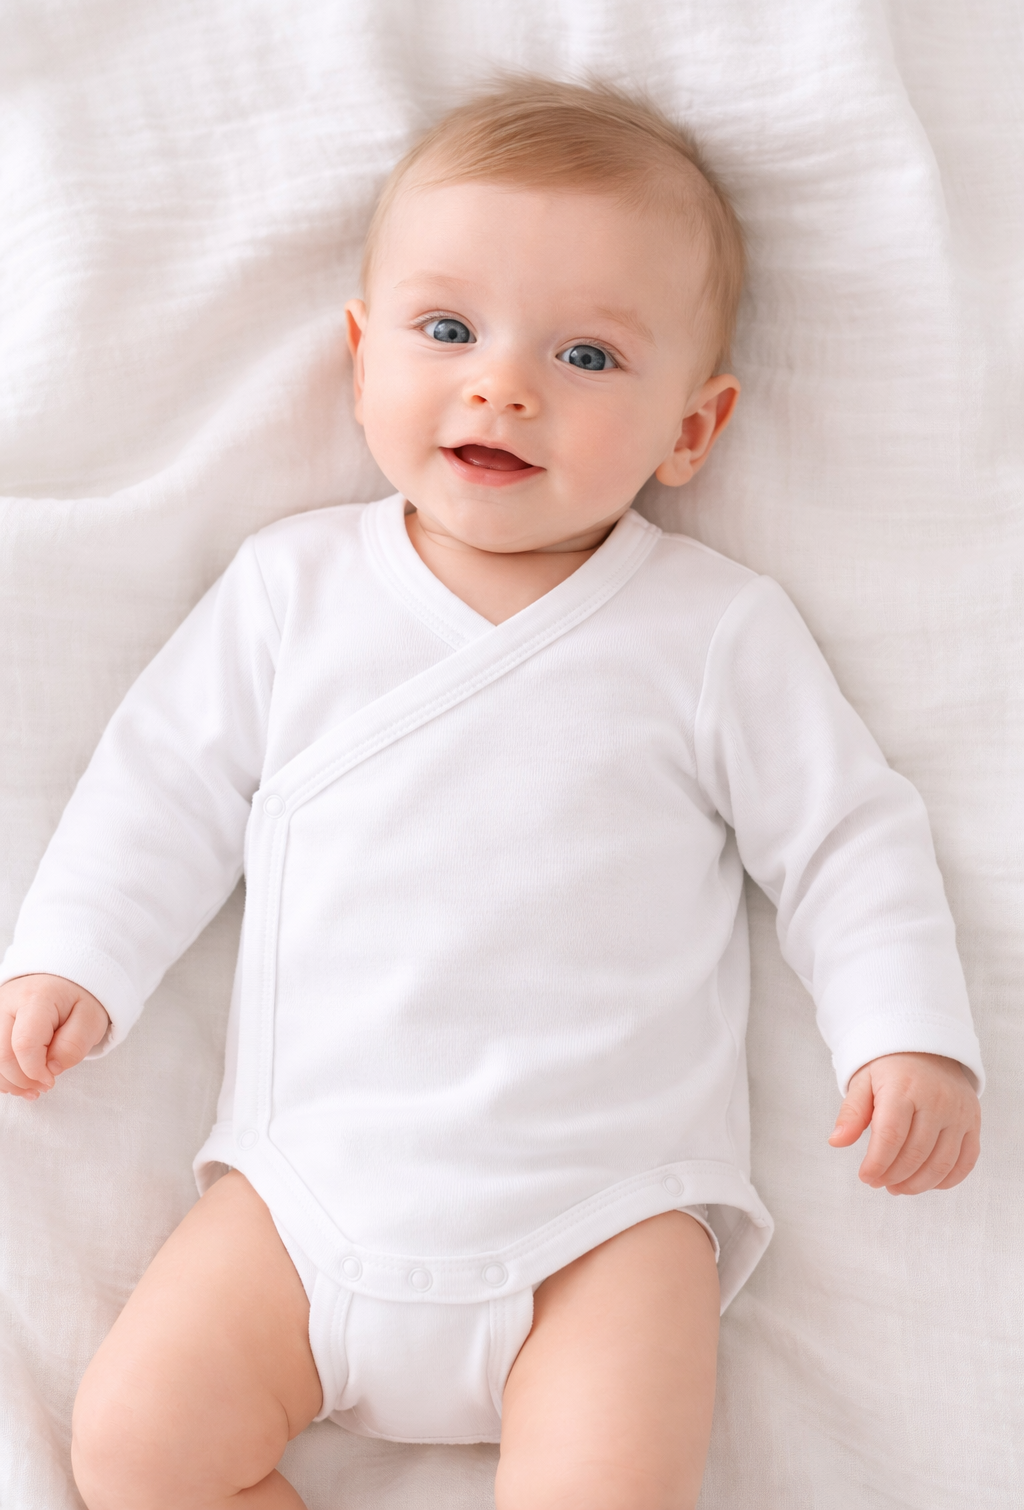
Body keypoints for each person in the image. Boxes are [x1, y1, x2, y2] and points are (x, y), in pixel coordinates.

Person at [0, 78, 983, 1510]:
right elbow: (160, 778)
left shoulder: (712, 630)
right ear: (359, 356)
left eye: (587, 355)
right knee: (141, 1447)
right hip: (307, 1195)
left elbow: (844, 841)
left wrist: (906, 1037)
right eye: (446, 330)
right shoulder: (293, 590)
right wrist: (74, 951)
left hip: (602, 1223)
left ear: (691, 432)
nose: (503, 385)